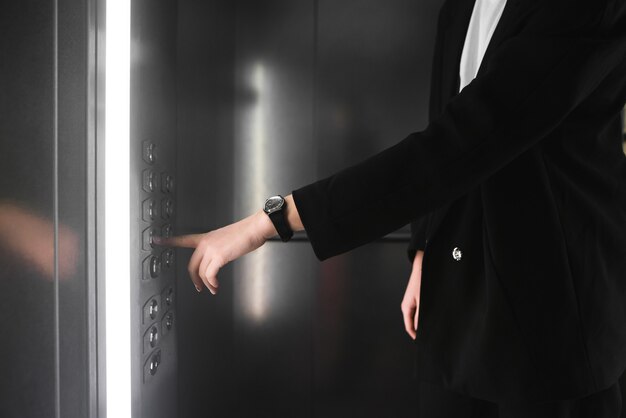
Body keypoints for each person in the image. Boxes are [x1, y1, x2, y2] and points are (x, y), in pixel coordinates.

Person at [161, 0, 626, 416]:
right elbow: (445, 124)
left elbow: (465, 142)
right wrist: (426, 249)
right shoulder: (460, 6)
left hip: (556, 304)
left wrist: (271, 220)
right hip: (461, 282)